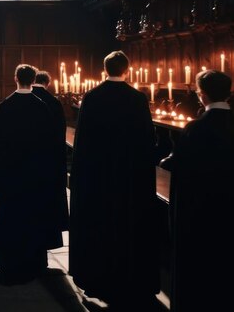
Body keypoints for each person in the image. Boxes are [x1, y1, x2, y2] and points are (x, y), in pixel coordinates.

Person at [159, 70, 234, 312]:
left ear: (201, 95)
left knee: (201, 275)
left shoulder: (195, 128)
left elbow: (176, 162)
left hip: (200, 216)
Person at [69, 50, 160, 310]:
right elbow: (147, 140)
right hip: (129, 180)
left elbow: (82, 141)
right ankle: (129, 277)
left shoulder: (92, 97)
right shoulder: (137, 99)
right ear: (127, 70)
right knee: (127, 225)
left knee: (100, 225)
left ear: (104, 69)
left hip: (98, 178)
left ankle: (97, 276)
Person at [0, 64, 58, 284]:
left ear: (15, 78)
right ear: (33, 80)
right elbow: (48, 146)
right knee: (33, 218)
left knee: (11, 219)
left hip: (11, 176)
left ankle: (9, 262)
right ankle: (34, 263)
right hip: (34, 176)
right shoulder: (41, 107)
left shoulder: (5, 106)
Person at [31, 70, 69, 247]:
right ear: (48, 83)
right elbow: (60, 135)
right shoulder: (54, 102)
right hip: (49, 163)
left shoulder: (21, 99)